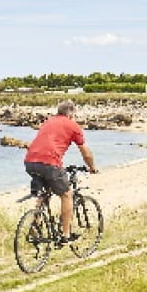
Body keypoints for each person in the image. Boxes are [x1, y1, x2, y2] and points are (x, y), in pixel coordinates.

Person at [24, 99, 98, 243]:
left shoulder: (48, 122)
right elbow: (86, 152)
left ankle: (35, 225)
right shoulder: (72, 125)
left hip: (30, 162)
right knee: (66, 194)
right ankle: (65, 235)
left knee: (45, 192)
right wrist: (92, 167)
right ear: (71, 114)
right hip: (49, 163)